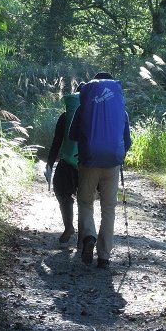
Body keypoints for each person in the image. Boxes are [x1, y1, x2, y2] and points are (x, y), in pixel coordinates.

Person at [69, 72, 132, 269]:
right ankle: (104, 256)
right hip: (112, 164)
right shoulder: (121, 111)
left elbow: (72, 136)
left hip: (89, 162)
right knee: (108, 208)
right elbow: (127, 141)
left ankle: (89, 236)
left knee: (86, 202)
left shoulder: (84, 108)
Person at [45, 83, 84, 244]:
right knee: (85, 201)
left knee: (62, 192)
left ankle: (69, 226)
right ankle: (84, 236)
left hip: (67, 162)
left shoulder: (66, 116)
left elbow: (57, 142)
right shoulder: (95, 115)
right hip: (88, 163)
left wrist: (49, 164)